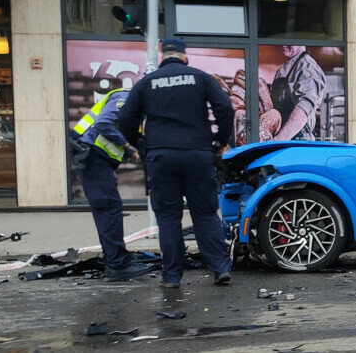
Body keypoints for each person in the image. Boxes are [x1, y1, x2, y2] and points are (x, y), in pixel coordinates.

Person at [118, 38, 234, 288]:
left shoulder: (148, 82)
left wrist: (140, 143)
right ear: (184, 56)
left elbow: (126, 117)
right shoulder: (199, 77)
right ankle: (220, 268)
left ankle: (172, 277)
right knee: (204, 213)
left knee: (168, 218)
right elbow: (224, 107)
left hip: (161, 156)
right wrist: (220, 140)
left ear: (162, 56)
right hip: (198, 154)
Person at [70, 88, 151, 282]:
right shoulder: (125, 97)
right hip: (92, 157)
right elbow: (103, 124)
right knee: (108, 208)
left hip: (96, 159)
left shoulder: (132, 103)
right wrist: (130, 150)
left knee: (109, 208)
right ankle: (117, 265)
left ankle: (117, 259)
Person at [271, 45, 326, 141]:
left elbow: (305, 106)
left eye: (288, 41)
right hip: (282, 140)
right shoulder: (282, 70)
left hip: (299, 141)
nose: (283, 44)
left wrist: (281, 139)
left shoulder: (308, 66)